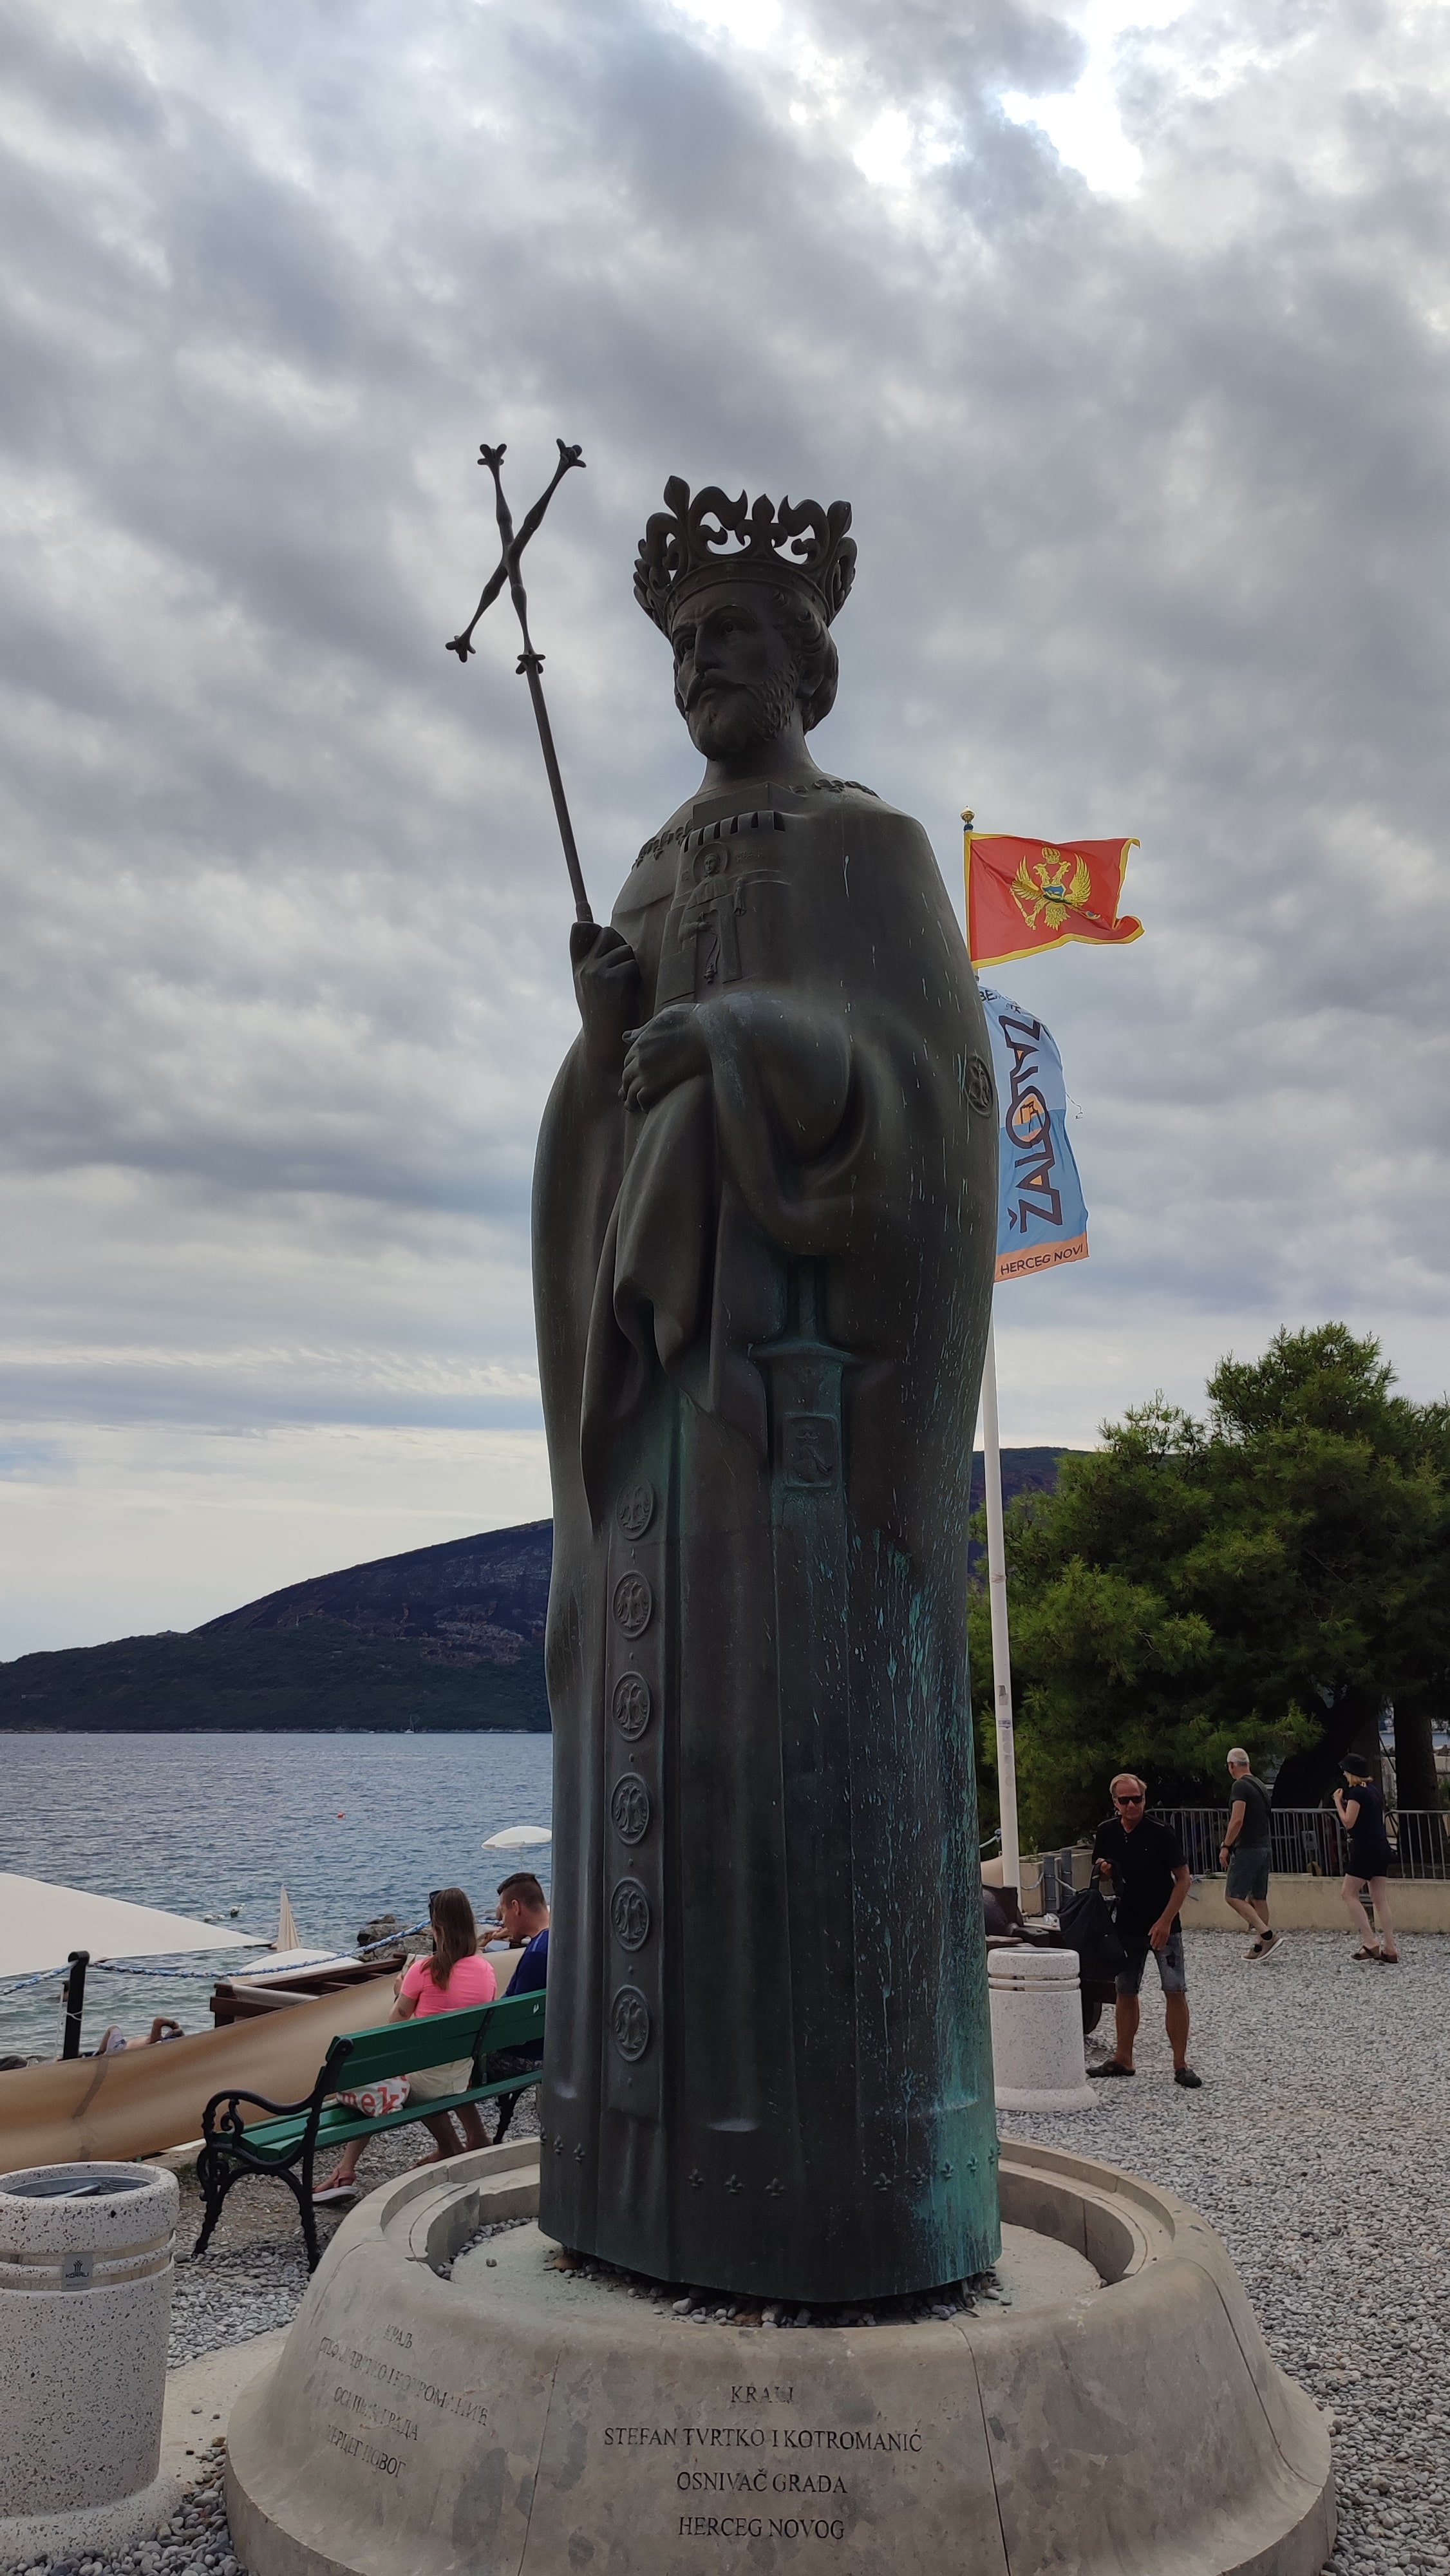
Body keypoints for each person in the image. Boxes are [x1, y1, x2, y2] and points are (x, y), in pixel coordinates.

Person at [317, 1888, 496, 2197]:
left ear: (437, 1927)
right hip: (460, 2077)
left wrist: (399, 1993)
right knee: (391, 2073)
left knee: (367, 2079)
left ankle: (345, 2171)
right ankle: (467, 2139)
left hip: (424, 2085)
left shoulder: (424, 1970)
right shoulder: (486, 1969)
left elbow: (395, 2024)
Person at [1089, 1773, 1201, 2087]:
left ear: (1144, 1799)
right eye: (1124, 1800)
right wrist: (1105, 1871)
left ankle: (1180, 2063)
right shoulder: (1107, 1832)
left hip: (1163, 1921)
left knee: (1175, 1990)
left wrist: (1165, 1921)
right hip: (1126, 1921)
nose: (1131, 1805)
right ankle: (1124, 2057)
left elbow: (1183, 1880)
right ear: (1115, 1803)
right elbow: (1101, 1875)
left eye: (1136, 1799)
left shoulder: (1161, 1833)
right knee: (1125, 1990)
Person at [479, 1872, 549, 2143]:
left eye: (503, 1912)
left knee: (454, 2067)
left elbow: (511, 2023)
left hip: (531, 2055)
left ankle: (468, 2138)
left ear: (516, 1907)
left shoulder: (537, 1955)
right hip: (561, 2045)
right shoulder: (563, 1941)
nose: (502, 1921)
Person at [1333, 1759, 1399, 1961]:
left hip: (1366, 1848)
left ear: (1350, 1773)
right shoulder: (1373, 1790)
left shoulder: (1357, 1793)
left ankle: (1370, 1941)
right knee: (1380, 1899)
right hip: (1381, 1847)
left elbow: (1349, 1822)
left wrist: (1338, 1802)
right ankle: (1390, 1947)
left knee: (1348, 1893)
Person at [1219, 1749, 1277, 1955]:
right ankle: (1262, 1945)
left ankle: (1266, 1933)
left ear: (1231, 1765)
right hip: (1264, 1846)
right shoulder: (1260, 1785)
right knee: (1259, 1897)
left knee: (1233, 1896)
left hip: (1248, 1848)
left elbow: (1237, 1820)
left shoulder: (1240, 1786)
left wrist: (1226, 1846)